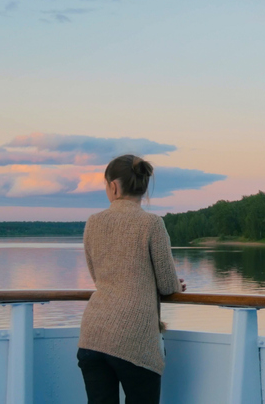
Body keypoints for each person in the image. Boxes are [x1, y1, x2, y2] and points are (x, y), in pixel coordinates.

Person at [77, 154, 187, 404]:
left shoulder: (93, 223)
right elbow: (168, 285)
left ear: (113, 186)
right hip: (134, 338)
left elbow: (99, 277)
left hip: (93, 335)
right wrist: (175, 285)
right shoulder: (151, 224)